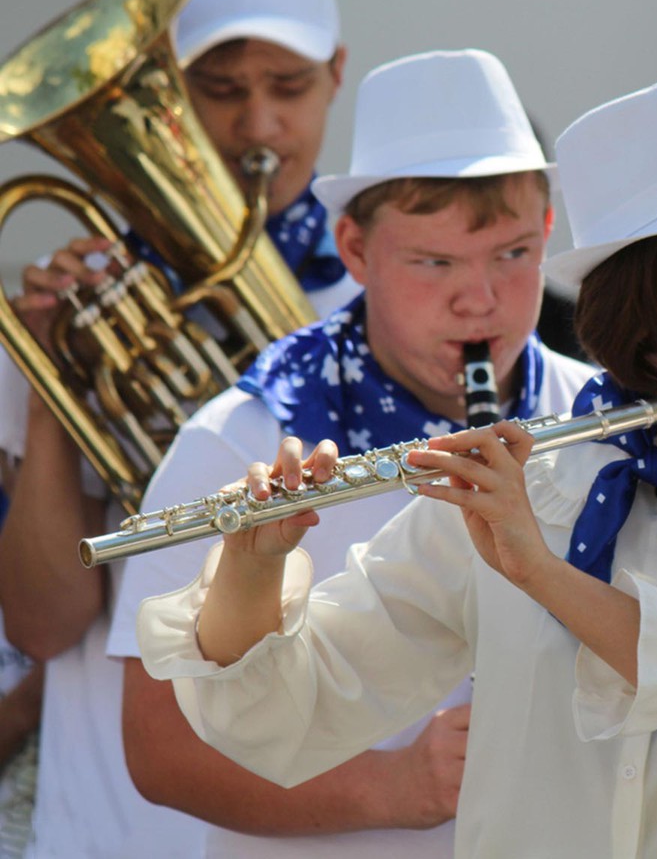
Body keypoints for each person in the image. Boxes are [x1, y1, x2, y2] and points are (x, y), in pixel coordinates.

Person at [135, 65, 657, 858]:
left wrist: (546, 576)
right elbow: (284, 717)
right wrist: (251, 569)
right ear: (641, 310)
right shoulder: (534, 477)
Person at [107, 48, 595, 857]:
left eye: (512, 254)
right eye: (434, 262)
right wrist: (394, 786)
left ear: (548, 230)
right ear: (356, 251)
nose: (479, 298)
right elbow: (159, 751)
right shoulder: (241, 439)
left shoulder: (599, 419)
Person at [0, 0, 355, 855]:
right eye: (220, 89)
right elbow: (40, 624)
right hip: (111, 822)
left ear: (337, 77)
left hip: (316, 808)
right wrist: (52, 390)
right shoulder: (83, 311)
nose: (259, 123)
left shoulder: (384, 300)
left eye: (289, 86)